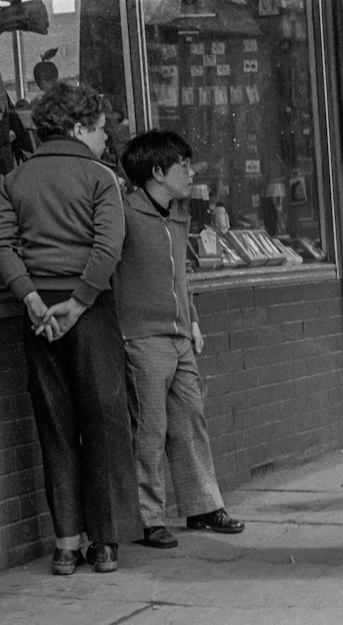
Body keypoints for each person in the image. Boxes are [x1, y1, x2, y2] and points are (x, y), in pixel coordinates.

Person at [0, 81, 137, 575]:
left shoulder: (15, 178)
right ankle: (105, 543)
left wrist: (30, 297)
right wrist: (78, 302)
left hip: (36, 314)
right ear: (77, 128)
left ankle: (65, 544)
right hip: (87, 308)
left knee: (54, 424)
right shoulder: (100, 177)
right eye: (98, 130)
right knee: (103, 423)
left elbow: (0, 246)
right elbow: (109, 246)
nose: (104, 141)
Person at [113, 130, 244, 549]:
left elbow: (179, 278)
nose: (190, 172)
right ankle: (147, 517)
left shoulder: (178, 215)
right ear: (156, 171)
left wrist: (194, 322)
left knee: (191, 420)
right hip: (141, 337)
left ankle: (203, 506)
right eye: (181, 165)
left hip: (179, 336)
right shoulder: (124, 214)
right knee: (149, 429)